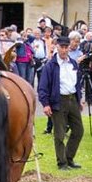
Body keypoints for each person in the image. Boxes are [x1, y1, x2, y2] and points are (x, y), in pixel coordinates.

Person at [38, 36, 84, 171]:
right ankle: (62, 162)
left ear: (69, 48)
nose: (64, 50)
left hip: (72, 99)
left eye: (66, 47)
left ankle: (69, 158)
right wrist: (45, 104)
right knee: (59, 134)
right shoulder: (50, 66)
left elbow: (77, 83)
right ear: (56, 47)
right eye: (61, 47)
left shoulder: (73, 64)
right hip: (58, 101)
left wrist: (79, 98)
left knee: (78, 130)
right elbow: (42, 87)